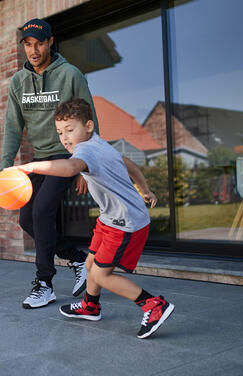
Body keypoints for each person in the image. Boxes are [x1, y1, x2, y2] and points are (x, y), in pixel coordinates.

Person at [13, 98, 174, 339]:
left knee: (100, 274)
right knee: (90, 264)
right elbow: (128, 163)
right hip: (110, 219)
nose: (65, 137)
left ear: (88, 126)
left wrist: (32, 167)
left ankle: (153, 305)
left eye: (70, 130)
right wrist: (145, 189)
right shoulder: (100, 144)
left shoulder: (86, 151)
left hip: (125, 222)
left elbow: (69, 169)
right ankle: (91, 305)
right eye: (60, 132)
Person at [0, 18, 100, 309]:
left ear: (50, 42)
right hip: (40, 159)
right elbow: (12, 127)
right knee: (27, 219)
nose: (33, 50)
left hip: (68, 156)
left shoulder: (71, 74)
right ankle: (77, 257)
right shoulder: (18, 82)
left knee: (42, 212)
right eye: (28, 45)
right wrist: (6, 166)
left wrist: (87, 164)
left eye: (39, 43)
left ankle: (44, 283)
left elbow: (90, 119)